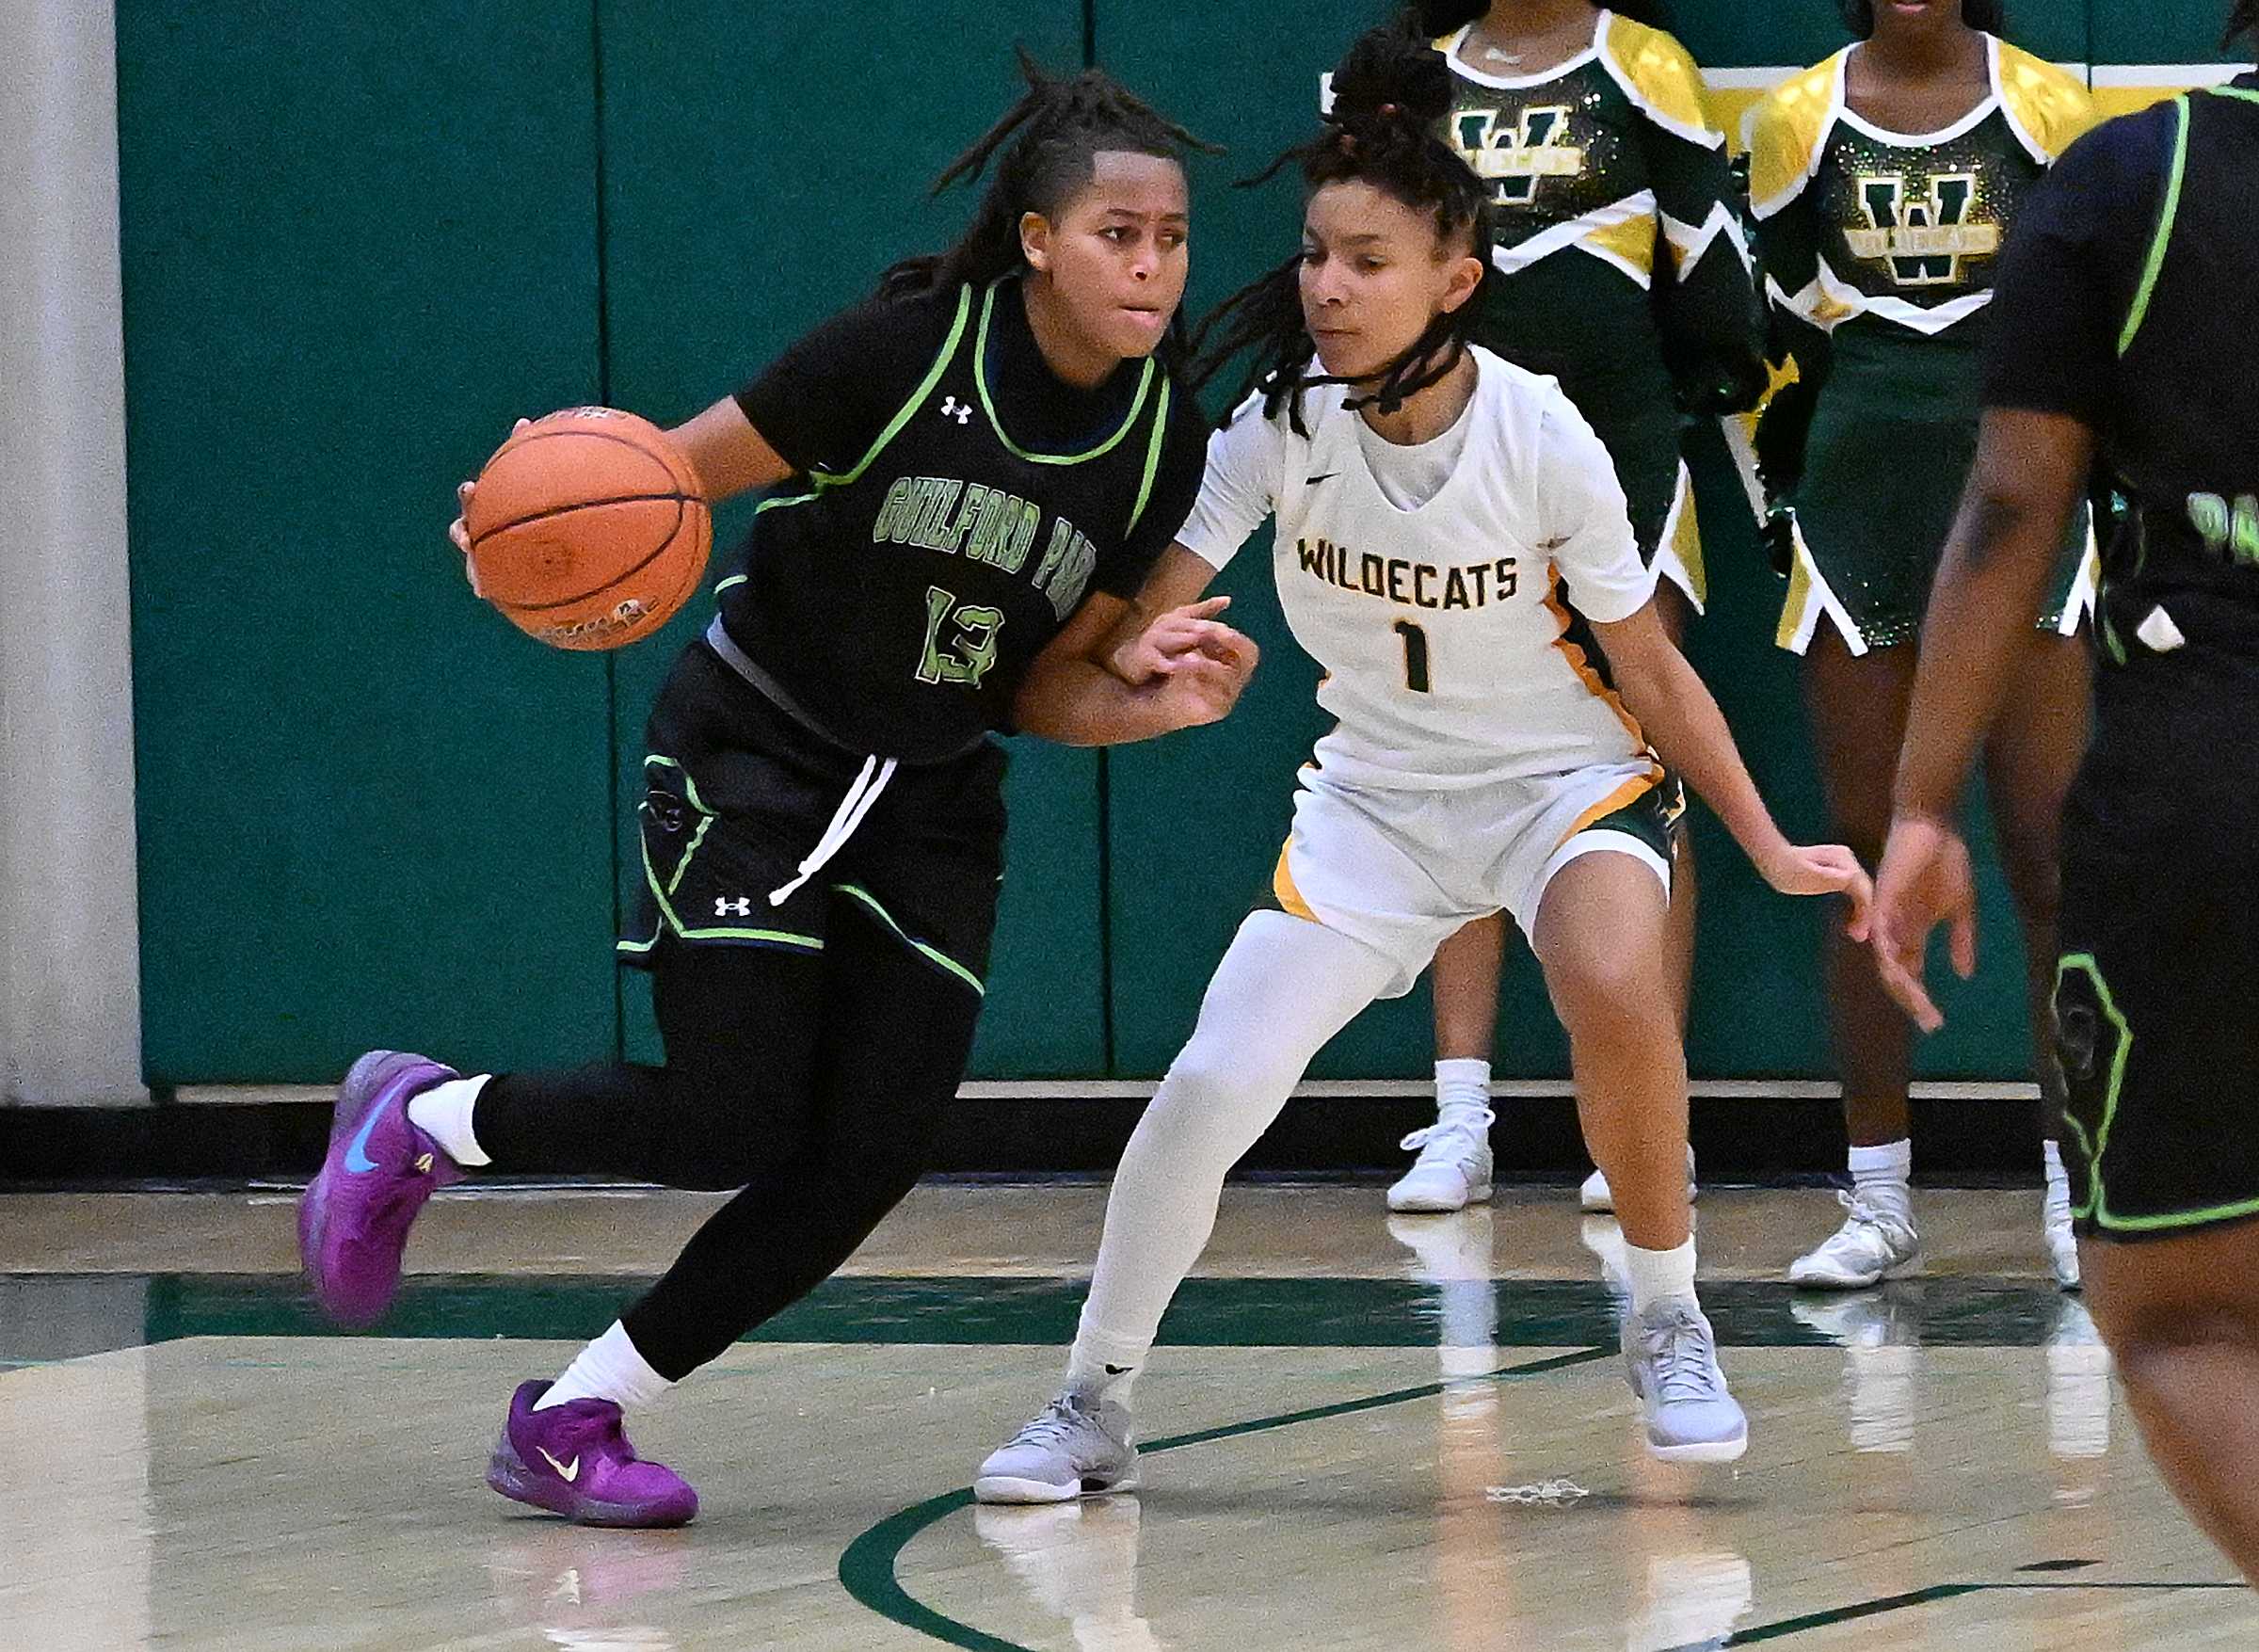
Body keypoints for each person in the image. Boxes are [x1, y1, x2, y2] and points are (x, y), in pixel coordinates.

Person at [296, 58, 1255, 1529]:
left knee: (866, 1158)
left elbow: (1037, 684)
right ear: (1042, 241)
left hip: (931, 796)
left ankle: (575, 1415)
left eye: (1173, 239)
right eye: (1120, 233)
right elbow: (657, 484)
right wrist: (527, 522)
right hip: (762, 741)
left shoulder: (1158, 439)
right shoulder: (899, 354)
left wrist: (1151, 700)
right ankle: (426, 1121)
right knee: (730, 1117)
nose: (1151, 264)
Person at [972, 29, 1867, 1503]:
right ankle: (1092, 1400)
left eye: (1368, 262)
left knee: (1609, 974)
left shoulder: (1545, 435)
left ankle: (1667, 1315)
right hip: (1376, 811)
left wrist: (1769, 845)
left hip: (1566, 785)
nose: (1326, 286)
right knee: (1211, 1079)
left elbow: (1649, 667)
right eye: (1317, 254)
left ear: (1455, 281)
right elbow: (1144, 605)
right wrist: (1113, 663)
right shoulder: (1279, 427)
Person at [1867, 1, 2259, 1580]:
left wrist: (1917, 808)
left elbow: (2017, 500)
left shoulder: (2127, 181)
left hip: (2206, 776)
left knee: (2182, 1309)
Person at [1386, 0, 1765, 1216]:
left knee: (1638, 767)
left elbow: (1714, 269)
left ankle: (1647, 1120)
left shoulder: (1646, 65)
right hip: (1447, 461)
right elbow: (1358, 257)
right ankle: (1459, 1116)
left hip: (1626, 459)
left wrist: (1716, 372)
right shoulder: (1415, 75)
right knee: (1454, 767)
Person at [1745, 0, 2095, 1290]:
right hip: (1859, 502)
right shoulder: (1794, 120)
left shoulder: (2052, 107)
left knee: (2050, 857)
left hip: (2027, 493)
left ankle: (2079, 1189)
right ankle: (1879, 1193)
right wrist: (1789, 511)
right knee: (1862, 858)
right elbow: (1764, 332)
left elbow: (2096, 323)